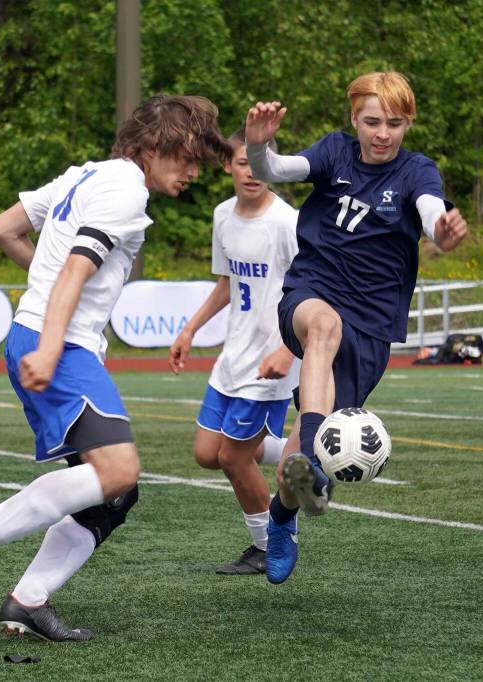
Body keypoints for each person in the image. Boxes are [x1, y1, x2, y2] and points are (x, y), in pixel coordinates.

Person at [0, 95, 231, 641]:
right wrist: (54, 339)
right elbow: (75, 273)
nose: (195, 171)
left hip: (41, 332)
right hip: (59, 342)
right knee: (119, 472)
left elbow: (1, 230)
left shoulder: (85, 174)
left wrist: (47, 299)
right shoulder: (125, 191)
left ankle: (27, 602)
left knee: (115, 494)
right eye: (188, 157)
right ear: (153, 148)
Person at [243, 71, 468, 584]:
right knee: (321, 327)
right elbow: (276, 168)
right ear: (353, 120)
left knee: (292, 472)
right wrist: (258, 147)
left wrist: (443, 232)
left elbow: (433, 212)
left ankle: (282, 517)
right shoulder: (333, 153)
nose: (382, 132)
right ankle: (314, 442)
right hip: (313, 291)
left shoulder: (416, 172)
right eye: (372, 121)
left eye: (394, 123)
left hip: (372, 321)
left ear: (408, 123)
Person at [168, 131, 300, 576]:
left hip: (272, 362)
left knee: (232, 458)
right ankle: (299, 457)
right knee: (208, 453)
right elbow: (227, 284)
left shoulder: (287, 223)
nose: (252, 171)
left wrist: (289, 348)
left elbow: (316, 291)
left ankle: (269, 544)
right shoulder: (223, 215)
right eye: (243, 163)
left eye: (261, 162)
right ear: (228, 166)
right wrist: (189, 329)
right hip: (233, 358)